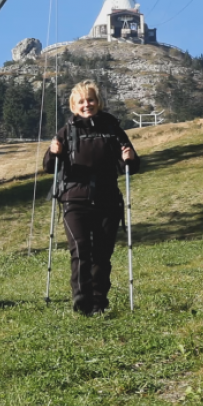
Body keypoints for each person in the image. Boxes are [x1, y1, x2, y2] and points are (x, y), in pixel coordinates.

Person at [43, 80, 140, 315]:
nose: (87, 105)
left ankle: (98, 301)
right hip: (74, 199)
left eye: (91, 100)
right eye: (81, 102)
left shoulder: (112, 128)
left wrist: (130, 157)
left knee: (102, 253)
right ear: (73, 106)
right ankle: (81, 297)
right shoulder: (67, 131)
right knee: (81, 247)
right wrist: (53, 152)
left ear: (98, 102)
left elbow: (130, 165)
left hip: (107, 199)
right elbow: (49, 166)